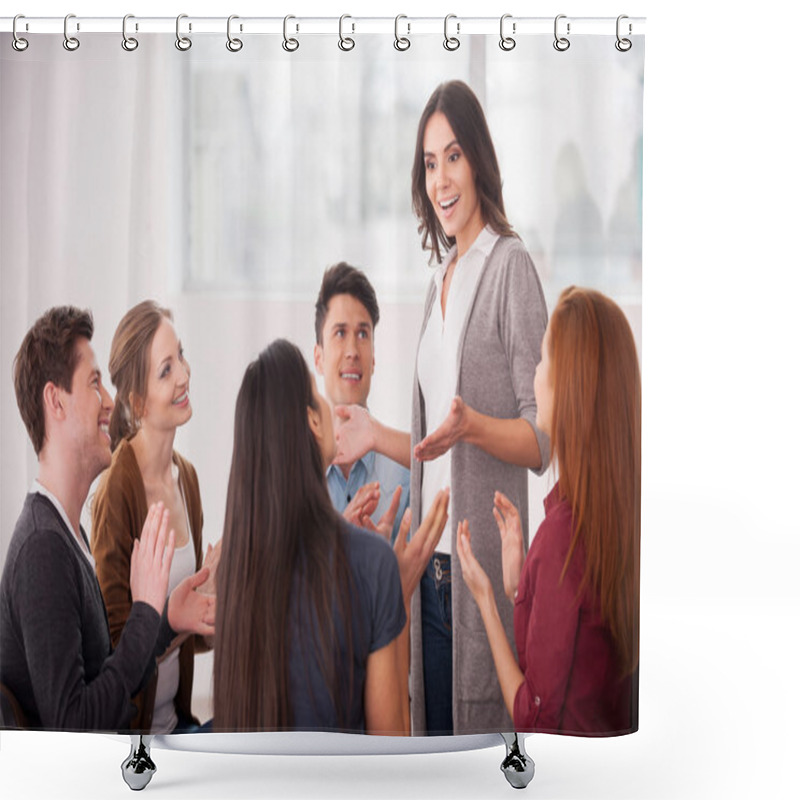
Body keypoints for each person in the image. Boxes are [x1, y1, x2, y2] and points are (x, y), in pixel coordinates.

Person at [334, 80, 549, 735]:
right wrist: (376, 434)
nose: (442, 178)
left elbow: (543, 443)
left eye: (453, 156)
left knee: (479, 754)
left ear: (478, 160)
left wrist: (475, 427)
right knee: (431, 752)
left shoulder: (511, 268)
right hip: (429, 570)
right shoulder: (439, 283)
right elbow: (438, 448)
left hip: (479, 571)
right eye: (430, 163)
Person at [213, 339, 449, 733]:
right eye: (318, 394)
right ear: (313, 422)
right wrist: (398, 597)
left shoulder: (237, 570)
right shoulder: (373, 563)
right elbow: (390, 749)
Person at [0, 306, 214, 731]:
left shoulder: (66, 532)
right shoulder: (43, 549)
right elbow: (76, 728)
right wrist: (147, 611)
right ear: (55, 402)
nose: (110, 402)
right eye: (95, 383)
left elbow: (103, 677)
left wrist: (164, 619)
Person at [457, 287, 640, 734]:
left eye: (541, 360)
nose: (534, 376)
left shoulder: (563, 537)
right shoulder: (622, 517)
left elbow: (533, 716)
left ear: (569, 385)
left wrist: (484, 596)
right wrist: (523, 585)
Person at [91, 300, 217, 733]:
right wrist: (178, 621)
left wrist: (215, 608)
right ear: (137, 401)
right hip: (135, 736)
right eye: (166, 370)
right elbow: (115, 647)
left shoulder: (189, 481)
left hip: (177, 724)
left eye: (180, 355)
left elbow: (189, 636)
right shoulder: (117, 492)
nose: (183, 375)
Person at [314, 263, 410, 543]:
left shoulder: (403, 473)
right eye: (340, 333)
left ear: (374, 358)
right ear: (318, 357)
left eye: (363, 334)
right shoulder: (292, 472)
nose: (353, 351)